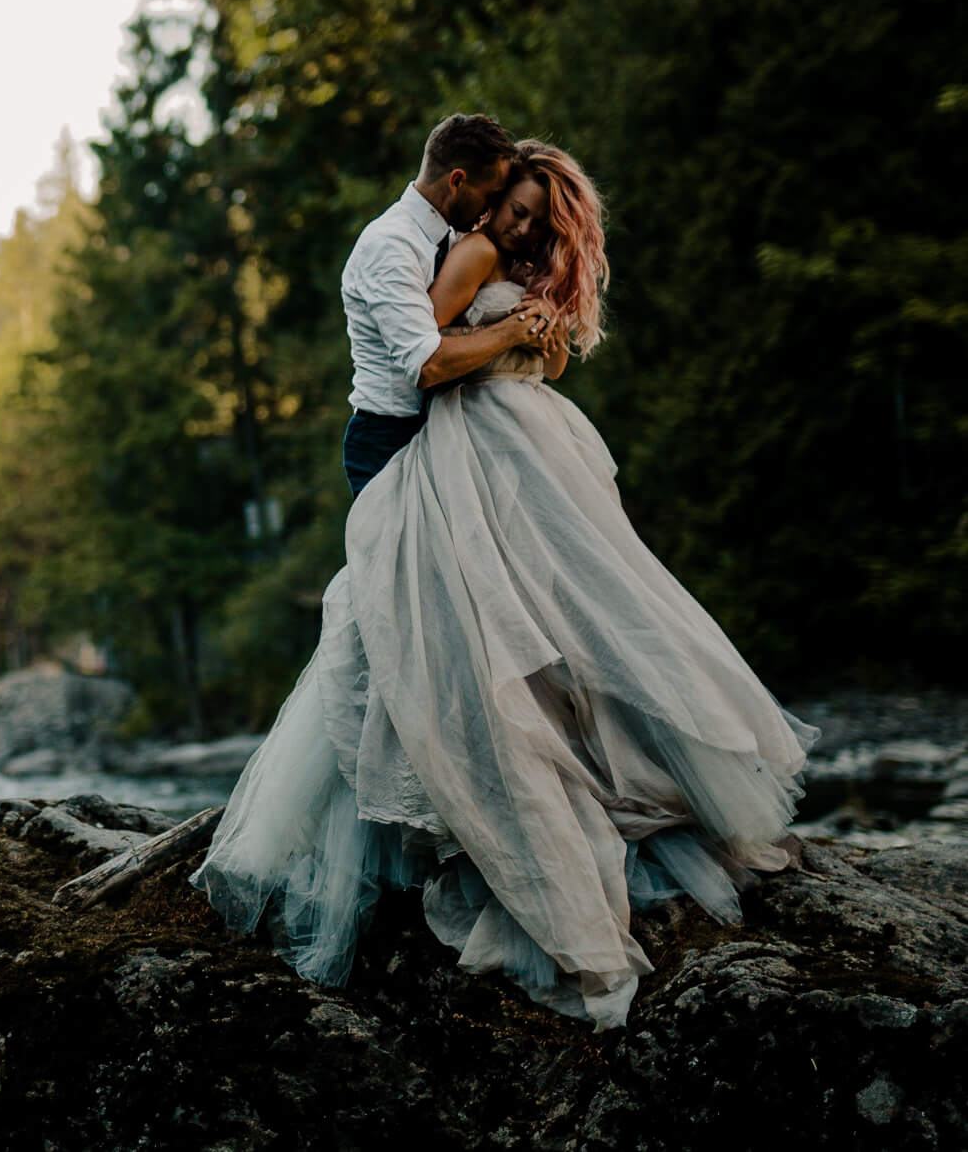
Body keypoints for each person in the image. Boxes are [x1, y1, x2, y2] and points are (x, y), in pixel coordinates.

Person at [190, 137, 816, 1029]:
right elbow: (436, 353)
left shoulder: (518, 260)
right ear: (476, 191)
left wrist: (538, 331)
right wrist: (512, 332)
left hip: (528, 453)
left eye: (530, 215)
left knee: (570, 615)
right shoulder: (467, 251)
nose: (511, 223)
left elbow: (547, 361)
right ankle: (445, 832)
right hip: (463, 448)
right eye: (508, 206)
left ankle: (604, 779)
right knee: (452, 634)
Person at [336, 114, 558, 497]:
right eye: (491, 195)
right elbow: (427, 365)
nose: (493, 208)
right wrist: (511, 331)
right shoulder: (390, 246)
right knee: (402, 559)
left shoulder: (455, 239)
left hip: (447, 431)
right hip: (389, 439)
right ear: (457, 181)